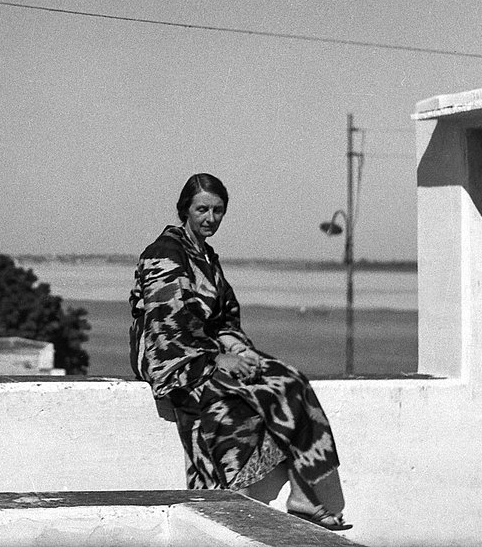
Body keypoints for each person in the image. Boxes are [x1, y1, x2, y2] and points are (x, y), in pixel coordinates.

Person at [129, 173, 351, 531]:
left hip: (207, 348)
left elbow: (224, 317)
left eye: (218, 211)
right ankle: (228, 504)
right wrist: (218, 359)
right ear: (185, 208)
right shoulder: (165, 253)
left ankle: (304, 496)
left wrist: (241, 352)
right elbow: (166, 323)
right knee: (230, 405)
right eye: (202, 209)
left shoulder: (206, 256)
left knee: (290, 380)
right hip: (171, 355)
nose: (210, 218)